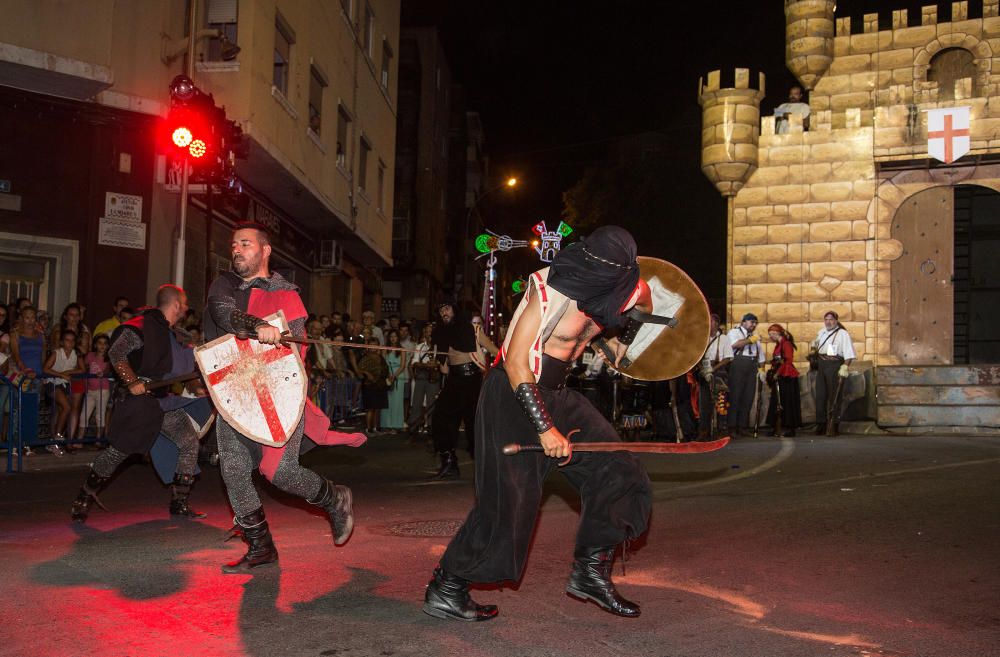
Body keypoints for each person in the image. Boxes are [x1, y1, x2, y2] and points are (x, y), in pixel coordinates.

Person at [423, 225, 653, 622]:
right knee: (509, 503)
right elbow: (515, 363)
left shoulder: (628, 287)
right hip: (514, 391)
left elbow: (640, 312)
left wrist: (627, 341)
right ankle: (448, 586)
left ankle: (590, 572)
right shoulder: (549, 289)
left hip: (561, 390)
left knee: (619, 467)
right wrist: (545, 428)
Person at [204, 223, 364, 573]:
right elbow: (223, 315)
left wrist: (283, 337)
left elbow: (295, 358)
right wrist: (254, 325)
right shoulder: (224, 285)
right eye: (234, 245)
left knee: (279, 472)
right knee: (232, 469)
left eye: (246, 244)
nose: (237, 250)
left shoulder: (287, 294)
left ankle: (333, 498)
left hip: (278, 397)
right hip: (236, 396)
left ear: (265, 250)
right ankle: (260, 546)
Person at [69, 285, 209, 522]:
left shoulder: (172, 334)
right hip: (140, 403)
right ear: (176, 304)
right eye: (184, 304)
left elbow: (184, 364)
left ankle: (179, 502)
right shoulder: (143, 325)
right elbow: (116, 353)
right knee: (118, 453)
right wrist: (132, 380)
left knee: (188, 442)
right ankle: (84, 496)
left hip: (164, 402)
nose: (186, 309)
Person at [428, 301, 499, 478]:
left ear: (455, 310)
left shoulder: (472, 329)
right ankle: (449, 462)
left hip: (472, 380)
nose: (444, 312)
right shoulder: (440, 333)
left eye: (447, 308)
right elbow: (444, 368)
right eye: (441, 309)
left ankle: (487, 467)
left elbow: (494, 350)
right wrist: (436, 362)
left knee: (474, 424)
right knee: (440, 419)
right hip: (453, 380)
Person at [811, 310, 855, 435]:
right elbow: (816, 348)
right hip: (821, 365)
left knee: (834, 396)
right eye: (826, 319)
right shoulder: (821, 332)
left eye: (831, 319)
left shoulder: (842, 334)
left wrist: (845, 367)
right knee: (820, 395)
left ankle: (834, 424)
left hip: (834, 365)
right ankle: (821, 424)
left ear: (836, 321)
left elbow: (849, 352)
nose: (828, 322)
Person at [42, 329, 85, 455]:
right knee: (66, 407)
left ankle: (54, 440)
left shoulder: (76, 353)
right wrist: (60, 374)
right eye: (67, 340)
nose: (70, 343)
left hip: (64, 384)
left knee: (61, 410)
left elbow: (82, 369)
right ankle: (57, 436)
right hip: (52, 383)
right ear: (62, 341)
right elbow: (45, 368)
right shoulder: (56, 353)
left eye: (72, 341)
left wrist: (68, 373)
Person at [726, 313, 765, 437]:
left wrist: (762, 370)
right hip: (738, 364)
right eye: (751, 322)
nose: (753, 325)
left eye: (755, 323)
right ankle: (732, 427)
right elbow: (734, 344)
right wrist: (750, 340)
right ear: (743, 322)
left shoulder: (754, 336)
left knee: (748, 397)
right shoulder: (734, 332)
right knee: (735, 396)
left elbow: (761, 356)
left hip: (752, 366)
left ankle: (742, 426)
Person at [696, 313, 733, 439]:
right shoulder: (702, 338)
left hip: (719, 373)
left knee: (721, 402)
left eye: (710, 321)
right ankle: (704, 431)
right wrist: (703, 369)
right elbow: (697, 357)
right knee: (704, 404)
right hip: (704, 371)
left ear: (716, 323)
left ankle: (722, 429)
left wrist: (712, 369)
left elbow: (728, 358)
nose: (707, 324)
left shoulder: (724, 338)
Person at [764, 324, 801, 437]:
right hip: (780, 374)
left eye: (771, 334)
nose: (770, 336)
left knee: (788, 401)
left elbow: (787, 361)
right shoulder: (778, 345)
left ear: (776, 333)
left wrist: (778, 373)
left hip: (787, 376)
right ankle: (776, 426)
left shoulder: (786, 344)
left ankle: (790, 427)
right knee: (777, 401)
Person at [76, 334, 112, 443]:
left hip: (103, 390)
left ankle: (98, 440)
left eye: (105, 343)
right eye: (100, 343)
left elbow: (108, 369)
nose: (102, 346)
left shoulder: (109, 357)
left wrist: (104, 373)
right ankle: (79, 440)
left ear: (108, 346)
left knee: (99, 415)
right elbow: (84, 366)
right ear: (95, 345)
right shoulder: (90, 356)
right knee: (84, 415)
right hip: (90, 390)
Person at [408, 323, 440, 434]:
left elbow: (444, 364)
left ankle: (431, 430)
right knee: (416, 403)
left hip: (434, 378)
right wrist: (426, 366)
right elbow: (414, 363)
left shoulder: (439, 347)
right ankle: (413, 429)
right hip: (421, 377)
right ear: (424, 333)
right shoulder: (419, 346)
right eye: (426, 332)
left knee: (432, 405)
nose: (428, 334)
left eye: (430, 332)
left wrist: (436, 364)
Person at [357, 337, 389, 433]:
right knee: (370, 408)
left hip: (380, 385)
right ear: (368, 347)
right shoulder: (365, 358)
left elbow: (385, 369)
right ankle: (369, 428)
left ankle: (376, 427)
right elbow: (359, 369)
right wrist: (367, 373)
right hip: (369, 386)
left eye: (375, 345)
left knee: (378, 408)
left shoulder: (380, 357)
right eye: (371, 345)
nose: (373, 347)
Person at [380, 330, 408, 431]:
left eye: (395, 336)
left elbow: (403, 365)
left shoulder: (402, 350)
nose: (393, 338)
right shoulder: (385, 349)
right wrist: (388, 375)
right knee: (387, 400)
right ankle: (386, 424)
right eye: (391, 336)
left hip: (398, 376)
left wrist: (394, 375)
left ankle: (396, 424)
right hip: (387, 375)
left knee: (397, 401)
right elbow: (383, 363)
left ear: (398, 338)